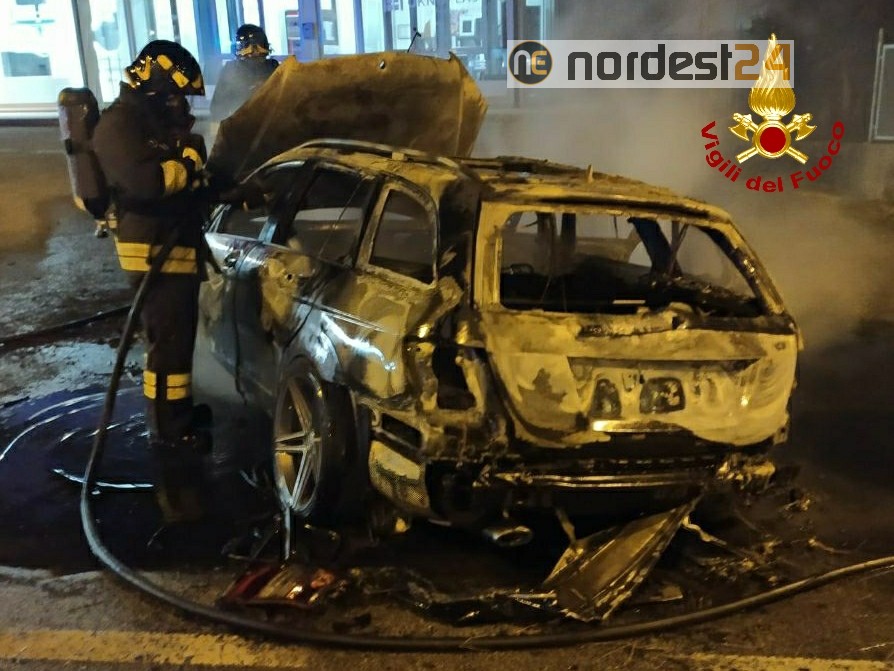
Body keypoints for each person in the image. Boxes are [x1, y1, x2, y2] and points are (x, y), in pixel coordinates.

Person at [92, 40, 212, 525]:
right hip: (152, 251)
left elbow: (181, 179)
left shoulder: (147, 122)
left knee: (176, 344)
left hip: (173, 245)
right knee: (166, 347)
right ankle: (169, 432)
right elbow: (148, 184)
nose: (178, 105)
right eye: (174, 95)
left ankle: (177, 416)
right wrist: (190, 161)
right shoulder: (119, 125)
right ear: (155, 82)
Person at [210, 24, 279, 124]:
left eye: (258, 54)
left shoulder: (273, 67)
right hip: (241, 125)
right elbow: (218, 109)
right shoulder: (231, 71)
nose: (255, 54)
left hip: (271, 124)